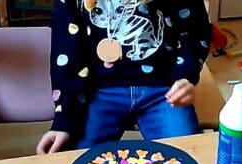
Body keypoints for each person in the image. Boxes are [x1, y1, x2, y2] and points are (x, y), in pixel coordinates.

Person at [36, 0, 211, 155]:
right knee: (74, 162)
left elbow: (195, 33)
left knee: (186, 158)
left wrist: (185, 77)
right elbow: (67, 55)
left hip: (164, 91)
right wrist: (64, 120)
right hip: (97, 92)